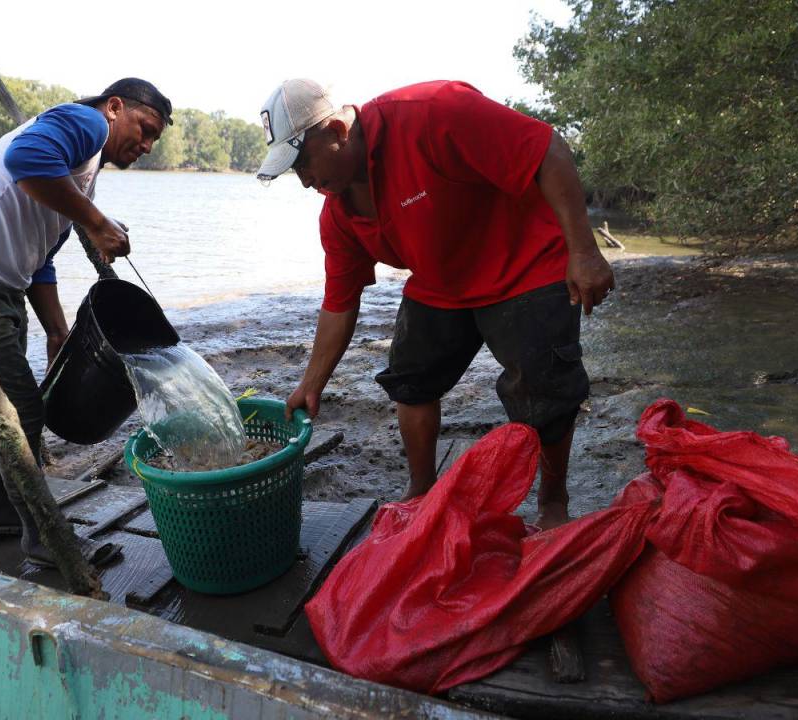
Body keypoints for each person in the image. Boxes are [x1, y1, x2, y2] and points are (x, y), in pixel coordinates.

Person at [256, 79, 614, 529]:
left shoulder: (432, 111)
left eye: (304, 162)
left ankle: (553, 501)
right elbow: (339, 303)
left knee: (545, 390)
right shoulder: (338, 212)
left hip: (524, 263)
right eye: (294, 171)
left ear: (336, 131)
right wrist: (312, 383)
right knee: (410, 378)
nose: (305, 181)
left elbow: (547, 149)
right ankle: (421, 489)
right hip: (442, 280)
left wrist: (583, 251)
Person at [0, 78, 172, 565]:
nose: (146, 145)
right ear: (114, 108)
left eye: (154, 139)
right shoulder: (85, 122)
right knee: (20, 409)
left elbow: (40, 257)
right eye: (145, 128)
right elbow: (24, 160)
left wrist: (57, 330)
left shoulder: (83, 166)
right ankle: (46, 537)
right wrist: (96, 222)